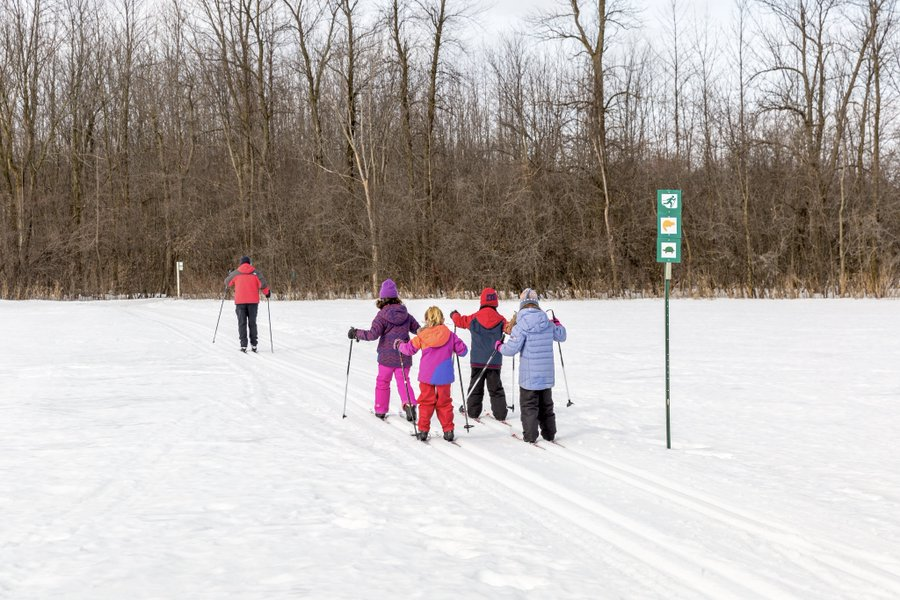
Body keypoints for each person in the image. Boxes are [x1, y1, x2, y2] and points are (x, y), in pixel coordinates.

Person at [496, 288, 566, 443]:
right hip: (546, 375)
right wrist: (557, 323)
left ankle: (530, 436)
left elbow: (511, 350)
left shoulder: (520, 325)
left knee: (529, 406)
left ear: (522, 305)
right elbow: (562, 336)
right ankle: (549, 434)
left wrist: (499, 346)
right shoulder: (547, 323)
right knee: (546, 406)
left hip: (529, 377)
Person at [348, 279, 419, 421]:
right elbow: (418, 330)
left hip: (386, 358)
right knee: (404, 381)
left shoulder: (381, 316)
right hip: (404, 356)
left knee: (383, 382)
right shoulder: (406, 315)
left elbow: (372, 335)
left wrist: (356, 333)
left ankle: (380, 409)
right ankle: (409, 405)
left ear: (382, 298)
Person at [397, 306, 467, 442]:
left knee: (426, 403)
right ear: (442, 319)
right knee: (444, 403)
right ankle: (448, 431)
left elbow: (409, 349)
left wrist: (399, 345)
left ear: (426, 320)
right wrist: (456, 345)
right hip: (444, 376)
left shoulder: (422, 336)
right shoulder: (450, 335)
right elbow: (463, 351)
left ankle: (423, 431)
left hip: (427, 376)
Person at [450, 287, 509, 420]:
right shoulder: (501, 319)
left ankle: (473, 412)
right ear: (495, 301)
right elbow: (509, 329)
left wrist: (454, 315)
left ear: (482, 301)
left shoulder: (474, 318)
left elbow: (460, 321)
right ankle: (500, 414)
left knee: (476, 387)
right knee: (496, 388)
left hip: (477, 360)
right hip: (494, 360)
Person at [225, 256, 270, 353]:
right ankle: (254, 345)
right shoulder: (256, 273)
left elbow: (227, 282)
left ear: (241, 263)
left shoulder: (236, 273)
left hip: (240, 302)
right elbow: (263, 284)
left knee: (242, 323)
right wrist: (267, 293)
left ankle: (243, 345)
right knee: (252, 323)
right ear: (249, 263)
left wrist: (229, 274)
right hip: (253, 302)